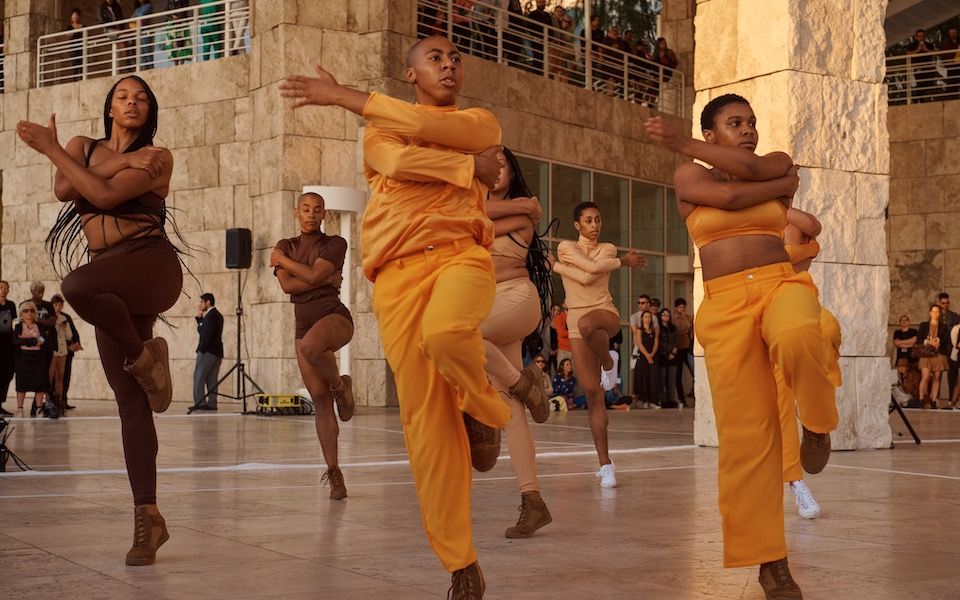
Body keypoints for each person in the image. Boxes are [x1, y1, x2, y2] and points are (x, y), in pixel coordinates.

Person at [279, 35, 512, 598]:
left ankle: (486, 409)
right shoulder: (380, 130)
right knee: (427, 430)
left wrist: (345, 95)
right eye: (435, 58)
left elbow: (451, 143)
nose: (449, 64)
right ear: (410, 76)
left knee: (448, 332)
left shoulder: (482, 122)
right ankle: (461, 565)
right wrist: (466, 171)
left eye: (455, 58)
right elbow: (398, 158)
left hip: (460, 256)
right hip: (397, 275)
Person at [645, 94, 838, 599]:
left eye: (752, 122)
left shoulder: (773, 162)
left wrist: (767, 176)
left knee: (801, 334)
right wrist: (776, 188)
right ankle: (770, 562)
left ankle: (816, 424)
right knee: (747, 442)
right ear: (712, 136)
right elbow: (731, 198)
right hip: (725, 305)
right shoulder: (689, 176)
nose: (749, 129)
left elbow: (754, 174)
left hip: (780, 284)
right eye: (735, 123)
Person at [17, 75, 182, 566]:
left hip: (149, 264)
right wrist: (113, 158)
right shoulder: (81, 146)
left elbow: (103, 197)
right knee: (131, 404)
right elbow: (66, 187)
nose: (132, 103)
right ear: (109, 107)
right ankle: (148, 518)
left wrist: (63, 151)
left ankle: (142, 356)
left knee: (76, 285)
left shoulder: (158, 156)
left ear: (149, 110)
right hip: (111, 277)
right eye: (122, 96)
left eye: (142, 98)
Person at [480, 146, 552, 538]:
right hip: (487, 308)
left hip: (517, 299)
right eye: (489, 162)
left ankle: (524, 383)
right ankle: (533, 500)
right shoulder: (505, 206)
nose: (496, 168)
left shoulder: (526, 210)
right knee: (510, 409)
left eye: (503, 162)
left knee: (460, 336)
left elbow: (477, 218)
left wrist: (526, 202)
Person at [549, 201, 645, 488]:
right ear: (577, 225)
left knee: (589, 324)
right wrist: (558, 264)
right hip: (577, 324)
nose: (595, 225)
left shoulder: (608, 249)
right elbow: (588, 271)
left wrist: (555, 268)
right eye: (588, 221)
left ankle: (608, 361)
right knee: (593, 394)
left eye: (598, 220)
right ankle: (606, 464)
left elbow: (591, 273)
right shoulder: (566, 247)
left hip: (605, 316)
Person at [271, 192, 357, 500]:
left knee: (310, 348)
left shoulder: (335, 243)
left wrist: (288, 265)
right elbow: (288, 285)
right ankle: (334, 472)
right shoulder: (286, 245)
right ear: (297, 213)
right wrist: (324, 278)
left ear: (323, 215)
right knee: (320, 401)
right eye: (305, 209)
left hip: (334, 317)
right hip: (303, 324)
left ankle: (339, 386)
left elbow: (308, 274)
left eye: (317, 210)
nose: (311, 214)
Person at [14, 302, 49, 418]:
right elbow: (16, 340)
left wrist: (27, 340)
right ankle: (20, 408)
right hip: (23, 358)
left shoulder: (39, 326)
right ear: (22, 314)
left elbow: (44, 338)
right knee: (21, 384)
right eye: (26, 311)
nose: (29, 313)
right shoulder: (19, 327)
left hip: (38, 357)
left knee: (39, 384)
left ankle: (39, 408)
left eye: (31, 310)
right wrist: (33, 341)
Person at [189, 292, 223, 413]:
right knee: (211, 379)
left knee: (199, 377)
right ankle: (212, 403)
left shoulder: (212, 315)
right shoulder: (215, 315)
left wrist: (202, 350)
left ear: (208, 302)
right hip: (216, 352)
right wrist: (200, 318)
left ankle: (200, 402)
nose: (200, 304)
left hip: (208, 351)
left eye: (202, 302)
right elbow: (204, 330)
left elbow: (205, 334)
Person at [48, 294, 77, 416]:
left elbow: (70, 335)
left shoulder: (65, 317)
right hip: (53, 350)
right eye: (56, 305)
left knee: (61, 376)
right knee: (50, 376)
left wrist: (65, 327)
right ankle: (49, 401)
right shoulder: (49, 318)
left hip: (63, 349)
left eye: (60, 305)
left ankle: (60, 401)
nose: (58, 307)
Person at [916, 303, 949, 409]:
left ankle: (934, 400)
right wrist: (929, 342)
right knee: (925, 376)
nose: (935, 314)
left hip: (938, 354)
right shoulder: (923, 325)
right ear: (930, 313)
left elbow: (946, 340)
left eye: (937, 312)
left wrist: (937, 341)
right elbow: (919, 339)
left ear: (939, 314)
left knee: (936, 377)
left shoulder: (944, 326)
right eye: (933, 311)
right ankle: (921, 399)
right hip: (925, 353)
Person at [632, 309, 659, 409]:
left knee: (653, 378)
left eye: (649, 317)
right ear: (642, 318)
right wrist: (647, 355)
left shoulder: (654, 330)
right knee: (643, 377)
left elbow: (656, 342)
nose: (648, 319)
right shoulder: (639, 330)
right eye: (646, 317)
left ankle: (653, 401)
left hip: (653, 356)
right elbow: (639, 343)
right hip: (643, 356)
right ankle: (643, 400)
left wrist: (652, 354)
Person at [936, 293, 958, 403]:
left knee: (952, 374)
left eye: (947, 303)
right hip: (940, 348)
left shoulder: (954, 316)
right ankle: (936, 398)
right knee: (937, 374)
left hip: (951, 347)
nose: (946, 305)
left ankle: (951, 399)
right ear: (939, 303)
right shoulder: (936, 315)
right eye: (943, 303)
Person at [657, 308, 680, 408]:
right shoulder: (658, 328)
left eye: (667, 314)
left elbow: (677, 339)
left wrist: (674, 350)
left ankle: (672, 399)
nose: (666, 316)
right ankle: (663, 400)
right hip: (662, 355)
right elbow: (659, 342)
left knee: (671, 379)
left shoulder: (673, 327)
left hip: (673, 356)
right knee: (662, 379)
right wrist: (668, 351)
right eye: (663, 314)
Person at [906, 29, 937, 102]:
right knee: (920, 83)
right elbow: (907, 54)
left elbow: (934, 52)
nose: (920, 38)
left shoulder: (929, 44)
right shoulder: (912, 45)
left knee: (929, 83)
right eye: (919, 36)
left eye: (922, 36)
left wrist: (926, 49)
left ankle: (917, 98)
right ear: (916, 37)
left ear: (924, 36)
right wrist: (918, 50)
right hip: (918, 68)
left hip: (928, 67)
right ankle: (919, 99)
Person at [674, 297, 694, 401]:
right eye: (680, 307)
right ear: (676, 308)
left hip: (687, 347)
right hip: (678, 348)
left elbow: (690, 326)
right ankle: (681, 399)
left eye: (683, 307)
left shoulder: (689, 317)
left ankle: (694, 393)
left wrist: (684, 317)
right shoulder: (673, 319)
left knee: (693, 371)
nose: (682, 309)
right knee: (678, 374)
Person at [0, 281, 16, 416]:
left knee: (7, 373)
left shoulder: (11, 305)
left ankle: (1, 402)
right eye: (1, 288)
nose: (3, 290)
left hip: (8, 344)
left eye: (5, 288)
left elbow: (13, 324)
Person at [132, 1, 154, 71]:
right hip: (139, 32)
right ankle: (144, 69)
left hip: (145, 30)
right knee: (141, 52)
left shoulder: (148, 6)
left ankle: (150, 68)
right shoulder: (138, 9)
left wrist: (136, 16)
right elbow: (132, 18)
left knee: (147, 49)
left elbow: (141, 15)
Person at [942, 26, 960, 99]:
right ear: (949, 34)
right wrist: (947, 64)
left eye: (954, 33)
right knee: (952, 85)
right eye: (951, 33)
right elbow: (943, 57)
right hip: (952, 67)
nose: (953, 34)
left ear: (957, 33)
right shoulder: (946, 44)